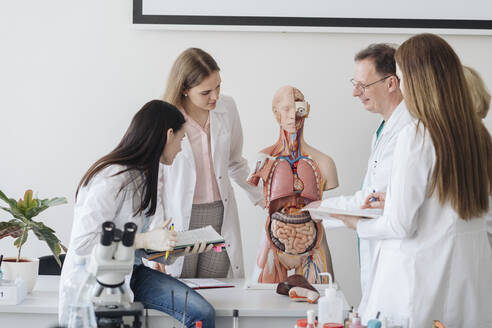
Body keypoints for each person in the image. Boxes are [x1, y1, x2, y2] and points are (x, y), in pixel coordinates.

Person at [336, 33, 492, 327]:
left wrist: (358, 224)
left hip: (421, 284)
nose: (401, 84)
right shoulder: (476, 135)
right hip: (470, 285)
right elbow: (450, 204)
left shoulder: (417, 135)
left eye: (402, 75)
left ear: (418, 80)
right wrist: (395, 198)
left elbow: (400, 224)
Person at [59, 100, 216, 327]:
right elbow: (84, 244)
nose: (181, 148)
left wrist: (167, 252)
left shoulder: (143, 176)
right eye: (181, 139)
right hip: (96, 281)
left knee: (202, 314)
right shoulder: (110, 180)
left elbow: (133, 247)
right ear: (168, 135)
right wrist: (143, 239)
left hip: (132, 272)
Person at [158, 48, 262, 278]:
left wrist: (263, 197)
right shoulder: (164, 117)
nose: (215, 96)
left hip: (218, 216)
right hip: (181, 219)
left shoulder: (227, 108)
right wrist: (155, 236)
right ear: (184, 89)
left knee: (217, 290)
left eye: (218, 87)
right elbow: (156, 182)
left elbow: (235, 162)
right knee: (181, 288)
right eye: (206, 92)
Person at [320, 44, 412, 294]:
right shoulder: (385, 129)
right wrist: (319, 213)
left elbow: (376, 201)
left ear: (391, 83)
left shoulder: (409, 130)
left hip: (398, 253)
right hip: (379, 246)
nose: (355, 92)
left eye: (363, 85)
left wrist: (318, 214)